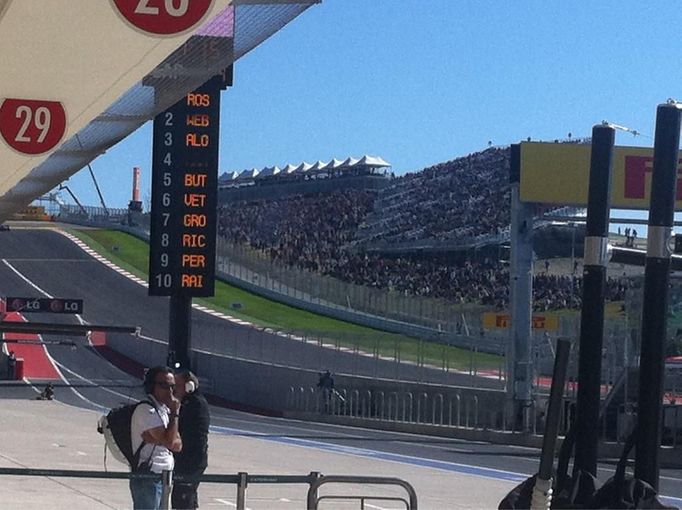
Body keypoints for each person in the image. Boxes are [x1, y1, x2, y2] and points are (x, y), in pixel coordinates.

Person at [130, 366, 182, 510]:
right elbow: (172, 442)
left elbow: (178, 445)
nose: (170, 391)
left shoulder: (164, 411)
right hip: (149, 476)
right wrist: (175, 413)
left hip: (164, 476)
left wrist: (159, 440)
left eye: (172, 386)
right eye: (164, 385)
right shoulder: (147, 410)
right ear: (151, 386)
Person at [171, 370, 210, 510]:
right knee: (186, 498)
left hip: (190, 459)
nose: (174, 389)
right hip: (188, 458)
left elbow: (184, 431)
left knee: (183, 498)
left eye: (177, 386)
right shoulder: (189, 402)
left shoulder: (194, 404)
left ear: (189, 387)